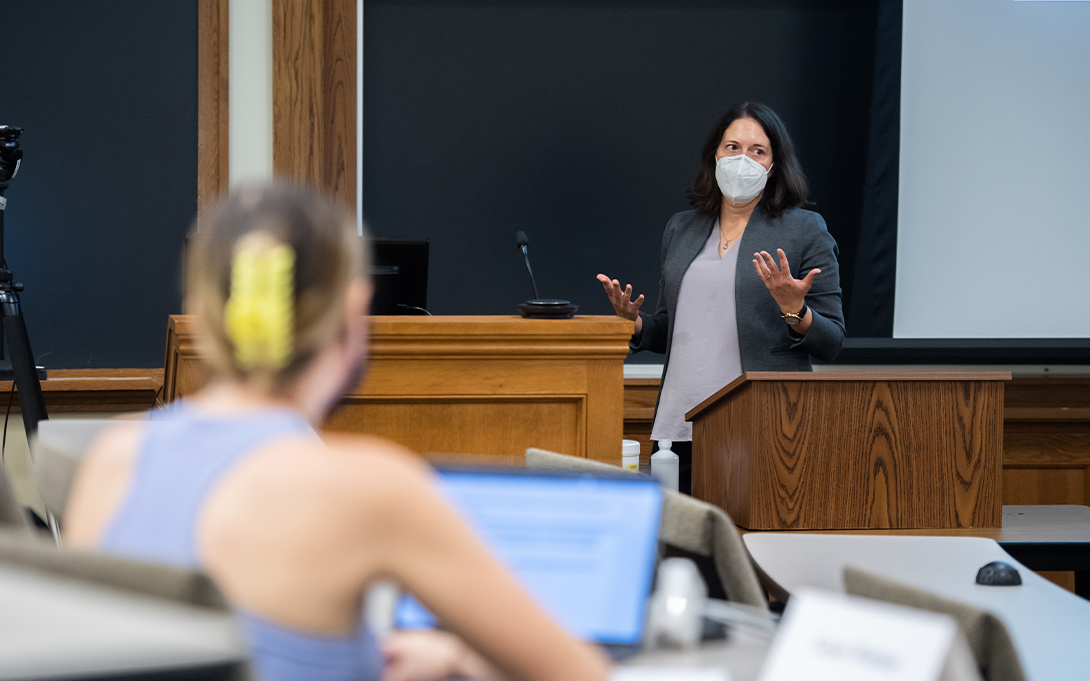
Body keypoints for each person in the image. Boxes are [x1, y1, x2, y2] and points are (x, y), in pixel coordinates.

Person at [65, 183, 610, 681]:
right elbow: (577, 674)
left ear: (198, 317)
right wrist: (460, 658)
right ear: (354, 312)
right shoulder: (367, 486)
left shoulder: (112, 459)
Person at [597, 102, 845, 494]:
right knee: (679, 545)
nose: (742, 159)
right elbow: (673, 331)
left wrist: (794, 309)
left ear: (774, 165)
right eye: (732, 147)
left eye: (757, 150)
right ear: (715, 153)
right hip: (679, 423)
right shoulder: (682, 228)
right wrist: (637, 324)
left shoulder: (804, 229)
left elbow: (832, 341)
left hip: (763, 425)